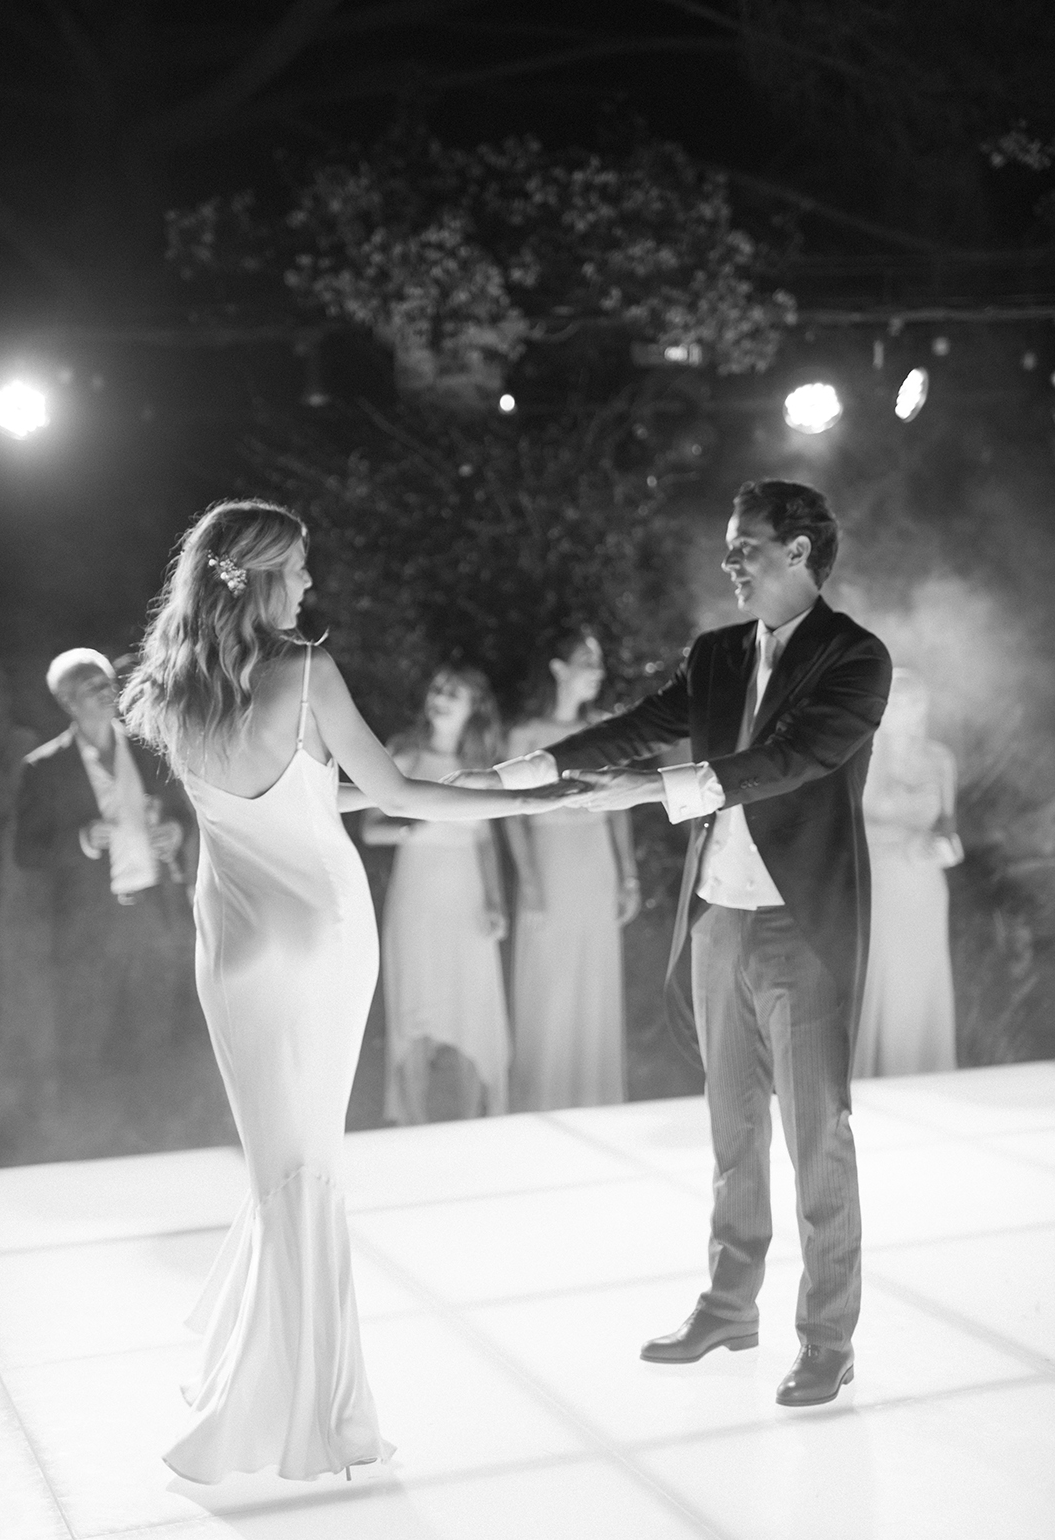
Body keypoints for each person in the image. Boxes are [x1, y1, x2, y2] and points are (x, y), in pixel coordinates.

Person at [120, 498, 581, 1483]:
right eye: (298, 567)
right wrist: (528, 795)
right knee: (313, 1168)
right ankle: (312, 1414)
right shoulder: (304, 671)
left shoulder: (167, 686)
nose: (311, 584)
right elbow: (399, 791)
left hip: (233, 943)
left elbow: (303, 792)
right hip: (323, 932)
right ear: (252, 577)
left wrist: (486, 779)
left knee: (273, 1166)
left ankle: (257, 1389)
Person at [460, 480, 892, 1408]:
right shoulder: (716, 654)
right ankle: (729, 1305)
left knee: (817, 1138)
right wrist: (529, 770)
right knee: (731, 1130)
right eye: (727, 546)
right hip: (714, 918)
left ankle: (827, 1338)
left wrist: (648, 793)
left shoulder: (856, 658)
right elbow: (642, 727)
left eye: (746, 547)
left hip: (799, 926)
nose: (729, 562)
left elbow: (791, 761)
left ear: (801, 553)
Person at [11, 649, 196, 1088]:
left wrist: (176, 830)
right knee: (90, 1040)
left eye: (107, 680)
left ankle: (155, 1133)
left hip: (154, 912)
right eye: (92, 686)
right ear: (68, 702)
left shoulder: (149, 748)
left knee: (157, 1033)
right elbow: (27, 852)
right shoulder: (45, 767)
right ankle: (93, 1143)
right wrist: (80, 841)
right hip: (89, 925)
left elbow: (184, 814)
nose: (106, 690)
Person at [364, 665, 511, 1123]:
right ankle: (411, 1121)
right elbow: (371, 830)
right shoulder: (403, 755)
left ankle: (475, 1120)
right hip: (416, 899)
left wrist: (494, 902)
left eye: (455, 693)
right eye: (438, 688)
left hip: (466, 901)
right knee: (416, 1005)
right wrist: (417, 825)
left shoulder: (481, 768)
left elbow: (486, 840)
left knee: (471, 1004)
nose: (441, 697)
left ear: (474, 710)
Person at [504, 629, 639, 1110]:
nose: (597, 673)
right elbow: (512, 816)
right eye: (587, 661)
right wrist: (530, 880)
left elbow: (619, 805)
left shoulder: (605, 729)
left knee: (593, 972)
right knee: (549, 975)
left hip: (595, 861)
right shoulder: (525, 736)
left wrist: (628, 876)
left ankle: (596, 1096)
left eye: (599, 664)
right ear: (559, 669)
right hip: (548, 861)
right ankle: (542, 1098)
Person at [853, 667, 960, 1077]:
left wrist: (943, 848)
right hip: (880, 882)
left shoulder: (940, 758)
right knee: (885, 981)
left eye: (916, 701)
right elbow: (845, 831)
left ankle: (925, 1074)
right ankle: (876, 1079)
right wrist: (903, 846)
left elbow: (947, 826)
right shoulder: (860, 755)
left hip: (925, 886)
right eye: (898, 700)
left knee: (920, 980)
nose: (909, 709)